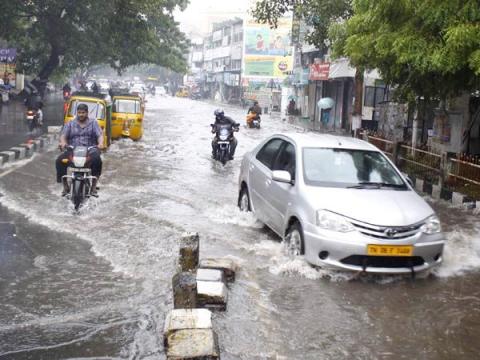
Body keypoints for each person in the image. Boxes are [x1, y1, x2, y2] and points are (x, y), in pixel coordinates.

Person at [56, 104, 104, 196]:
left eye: (83, 113)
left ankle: (93, 186)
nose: (81, 114)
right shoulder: (70, 123)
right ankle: (65, 186)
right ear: (77, 113)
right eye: (79, 112)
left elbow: (99, 135)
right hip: (72, 150)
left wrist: (100, 144)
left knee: (97, 160)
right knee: (59, 161)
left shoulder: (93, 123)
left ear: (87, 113)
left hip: (90, 150)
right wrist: (63, 143)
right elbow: (63, 136)